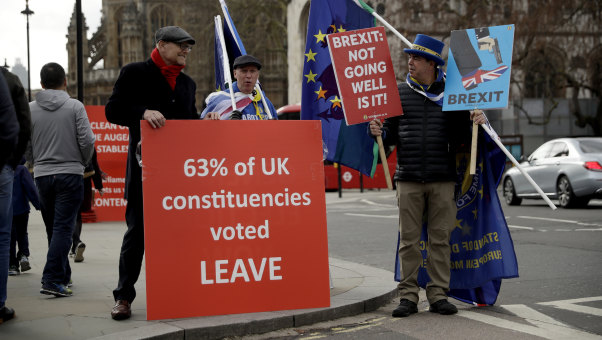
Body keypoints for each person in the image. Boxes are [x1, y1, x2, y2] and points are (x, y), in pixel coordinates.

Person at [369, 34, 486, 317]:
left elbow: (463, 140)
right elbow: (390, 137)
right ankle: (408, 296)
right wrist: (378, 134)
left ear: (432, 64)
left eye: (416, 58)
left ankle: (437, 295)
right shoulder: (398, 93)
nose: (410, 62)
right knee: (409, 241)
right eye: (409, 57)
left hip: (442, 179)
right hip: (408, 177)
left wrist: (476, 122)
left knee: (440, 241)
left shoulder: (454, 96)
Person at [105, 26, 199, 320]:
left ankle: (179, 293)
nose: (186, 50)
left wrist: (205, 121)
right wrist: (142, 112)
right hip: (144, 174)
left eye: (189, 47)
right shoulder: (135, 72)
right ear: (162, 44)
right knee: (137, 235)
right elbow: (113, 110)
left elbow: (189, 124)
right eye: (182, 45)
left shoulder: (187, 84)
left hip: (178, 176)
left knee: (179, 235)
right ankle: (123, 297)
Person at [26, 62, 95, 298]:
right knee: (64, 228)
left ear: (42, 83)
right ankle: (52, 279)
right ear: (65, 82)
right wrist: (82, 162)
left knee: (52, 228)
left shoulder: (30, 109)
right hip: (70, 174)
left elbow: (25, 144)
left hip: (43, 176)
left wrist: (35, 162)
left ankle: (63, 275)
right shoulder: (75, 106)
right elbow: (87, 140)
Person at [201, 54, 277, 120]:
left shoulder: (265, 102)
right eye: (244, 71)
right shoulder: (219, 100)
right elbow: (200, 128)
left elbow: (276, 131)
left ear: (258, 75)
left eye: (252, 71)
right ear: (235, 74)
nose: (248, 76)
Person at [0, 70, 19, 324]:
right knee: (2, 236)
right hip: (1, 169)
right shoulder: (7, 79)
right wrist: (10, 163)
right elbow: (13, 127)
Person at [71, 150, 105, 263]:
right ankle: (75, 246)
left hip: (67, 177)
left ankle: (75, 243)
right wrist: (99, 185)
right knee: (77, 215)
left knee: (71, 214)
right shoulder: (88, 140)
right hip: (84, 179)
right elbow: (94, 164)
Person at [9, 158, 40, 276]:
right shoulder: (21, 169)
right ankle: (23, 255)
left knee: (9, 236)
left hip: (6, 210)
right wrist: (38, 205)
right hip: (21, 208)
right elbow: (30, 188)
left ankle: (12, 265)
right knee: (22, 233)